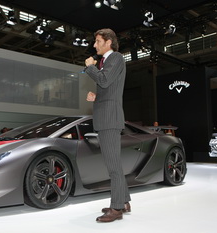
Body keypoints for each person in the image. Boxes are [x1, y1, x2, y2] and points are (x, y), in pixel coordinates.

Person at [85, 28, 131, 222]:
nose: (95, 45)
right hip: (107, 118)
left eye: (97, 41)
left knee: (113, 166)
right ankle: (124, 201)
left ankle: (116, 209)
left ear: (108, 42)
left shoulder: (116, 58)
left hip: (109, 120)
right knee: (114, 164)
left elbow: (103, 80)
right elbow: (108, 87)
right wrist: (97, 97)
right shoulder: (108, 61)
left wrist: (90, 67)